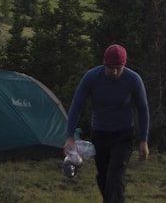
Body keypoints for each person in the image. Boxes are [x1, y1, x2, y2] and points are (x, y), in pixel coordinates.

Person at [64, 44, 149, 203]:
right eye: (111, 68)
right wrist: (70, 136)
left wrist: (144, 140)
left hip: (123, 136)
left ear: (124, 65)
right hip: (100, 135)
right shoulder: (92, 77)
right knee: (103, 178)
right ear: (104, 64)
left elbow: (143, 109)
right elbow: (77, 105)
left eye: (119, 68)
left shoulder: (133, 80)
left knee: (114, 177)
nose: (115, 72)